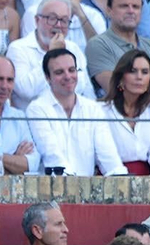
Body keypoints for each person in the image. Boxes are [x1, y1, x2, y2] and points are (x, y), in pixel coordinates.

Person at [29, 47, 126, 175]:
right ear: (47, 78)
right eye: (59, 72)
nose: (68, 76)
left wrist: (121, 179)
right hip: (52, 190)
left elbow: (108, 157)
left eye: (71, 70)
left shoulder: (93, 109)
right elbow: (52, 155)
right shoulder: (37, 109)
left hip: (87, 191)